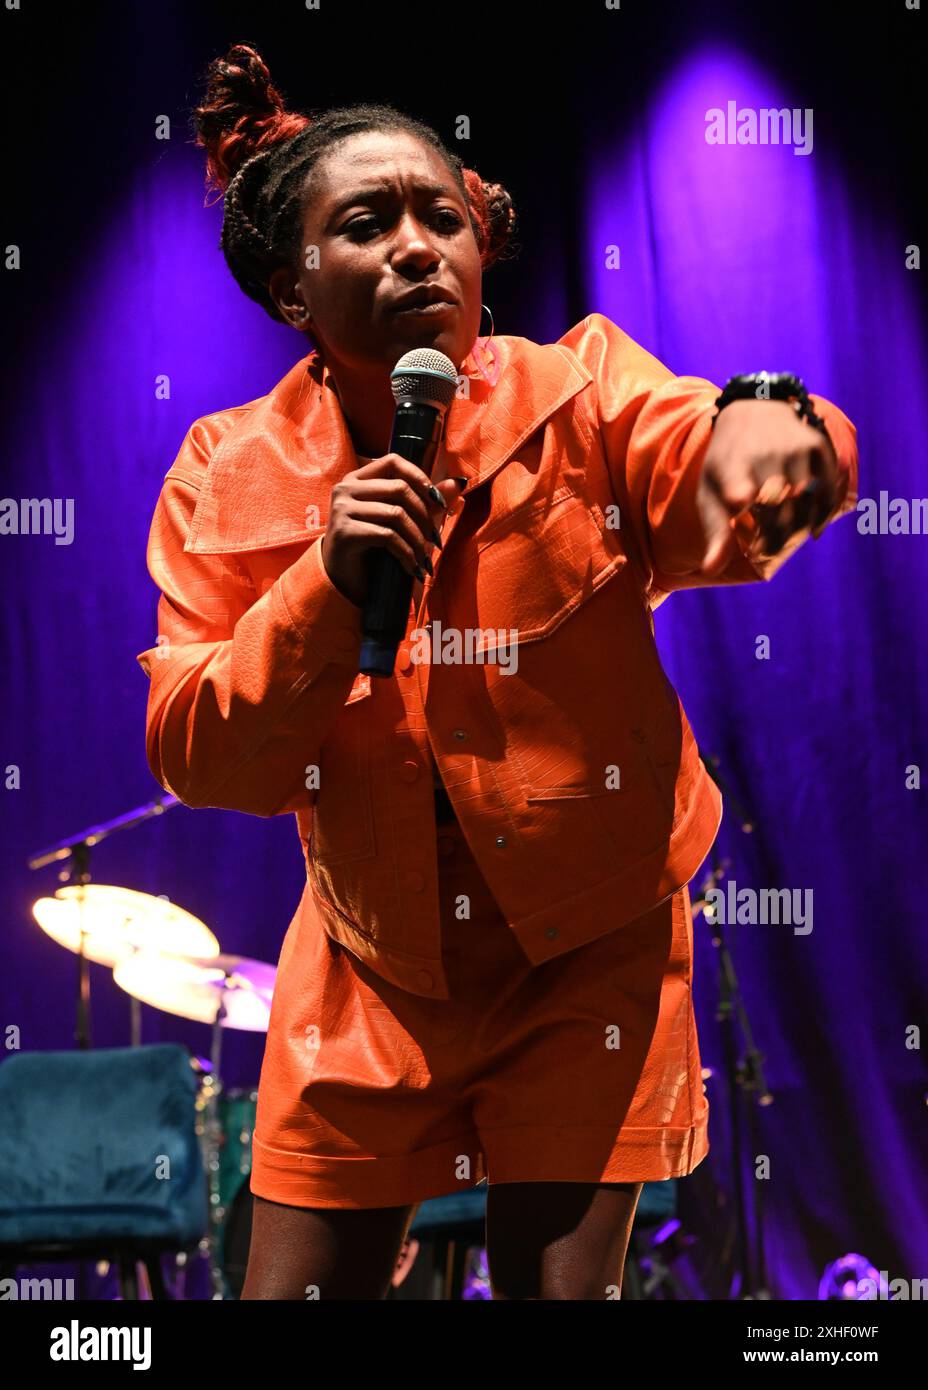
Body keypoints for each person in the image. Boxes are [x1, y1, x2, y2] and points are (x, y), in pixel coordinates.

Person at [136, 43, 858, 1300]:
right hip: (371, 967)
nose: (420, 247)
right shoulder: (226, 473)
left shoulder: (578, 394)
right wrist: (319, 588)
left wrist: (777, 451)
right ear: (294, 288)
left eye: (443, 219)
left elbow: (721, 470)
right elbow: (199, 754)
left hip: (591, 946)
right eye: (368, 225)